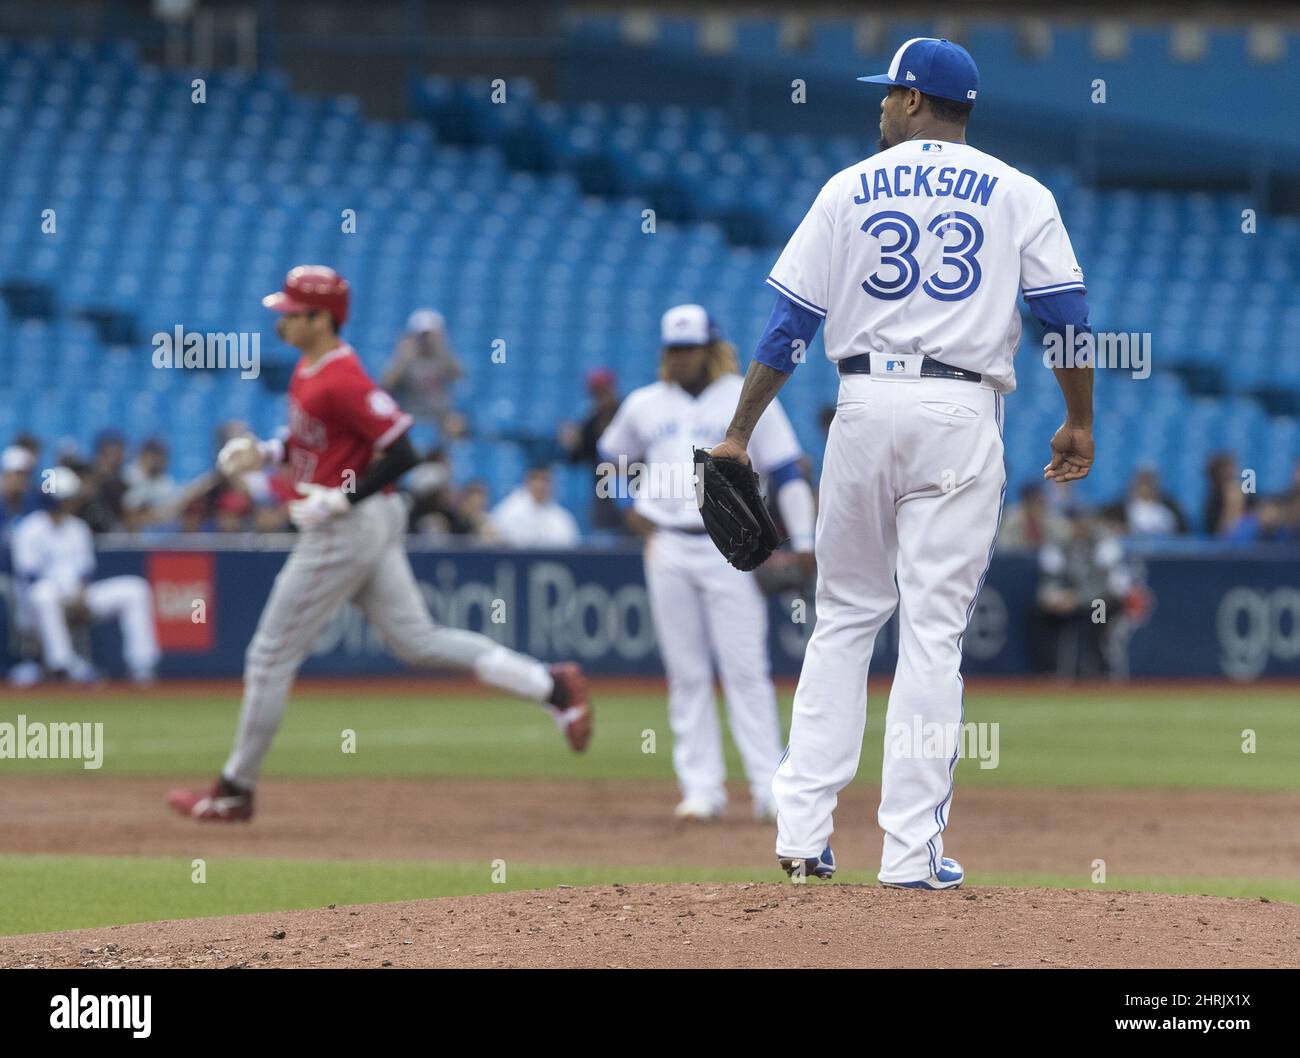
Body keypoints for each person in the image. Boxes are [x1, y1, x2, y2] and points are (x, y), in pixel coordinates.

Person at [708, 38, 1093, 888]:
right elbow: (1064, 311)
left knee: (843, 615)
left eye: (890, 93)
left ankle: (802, 836)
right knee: (931, 634)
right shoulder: (1018, 190)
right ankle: (909, 853)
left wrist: (740, 432)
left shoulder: (848, 187)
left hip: (860, 403)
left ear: (919, 101)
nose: (881, 105)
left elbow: (788, 327)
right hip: (958, 410)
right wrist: (1078, 420)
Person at [166, 265, 593, 823]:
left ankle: (234, 789)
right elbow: (312, 441)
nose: (282, 321)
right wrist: (266, 454)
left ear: (322, 319)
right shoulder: (311, 367)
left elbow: (402, 451)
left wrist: (342, 500)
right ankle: (551, 685)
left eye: (293, 313)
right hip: (366, 518)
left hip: (348, 526)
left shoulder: (343, 377)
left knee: (269, 655)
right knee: (418, 640)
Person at [598, 304, 816, 822]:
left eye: (689, 348)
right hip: (668, 543)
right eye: (673, 349)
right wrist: (628, 507)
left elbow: (787, 470)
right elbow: (610, 458)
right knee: (686, 671)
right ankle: (701, 789)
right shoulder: (644, 404)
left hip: (731, 547)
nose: (680, 358)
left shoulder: (744, 396)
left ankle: (769, 788)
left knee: (746, 670)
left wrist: (804, 537)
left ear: (711, 348)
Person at [10, 466, 160, 684]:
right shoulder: (29, 529)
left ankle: (142, 664)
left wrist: (80, 593)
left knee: (135, 589)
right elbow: (30, 576)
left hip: (79, 596)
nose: (73, 502)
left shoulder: (78, 528)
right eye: (67, 498)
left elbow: (85, 572)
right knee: (43, 594)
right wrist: (66, 595)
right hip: (40, 605)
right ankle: (63, 664)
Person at [381, 308, 465, 440]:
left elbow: (461, 378)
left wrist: (444, 349)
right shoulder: (404, 359)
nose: (427, 340)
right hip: (410, 417)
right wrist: (402, 358)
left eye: (431, 335)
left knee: (455, 423)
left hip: (439, 418)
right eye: (423, 335)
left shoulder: (444, 357)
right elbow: (385, 387)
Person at [559, 368, 625, 532]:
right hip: (604, 494)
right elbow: (577, 459)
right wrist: (572, 444)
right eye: (596, 393)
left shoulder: (628, 414)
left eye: (604, 391)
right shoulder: (590, 422)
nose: (601, 397)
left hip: (634, 486)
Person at [488, 465, 581, 548]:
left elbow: (571, 546)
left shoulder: (561, 518)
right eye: (535, 479)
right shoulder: (509, 509)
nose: (540, 485)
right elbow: (492, 535)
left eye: (545, 480)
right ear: (527, 482)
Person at [998, 482, 1066, 551]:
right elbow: (1004, 545)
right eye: (1036, 503)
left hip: (1039, 558)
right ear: (1026, 503)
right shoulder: (1012, 519)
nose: (1040, 507)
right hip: (1016, 557)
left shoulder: (1047, 517)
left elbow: (1064, 535)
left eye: (1041, 502)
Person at [0, 444, 40, 544]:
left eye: (28, 474)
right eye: (19, 474)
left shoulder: (35, 504)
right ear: (6, 474)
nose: (23, 479)